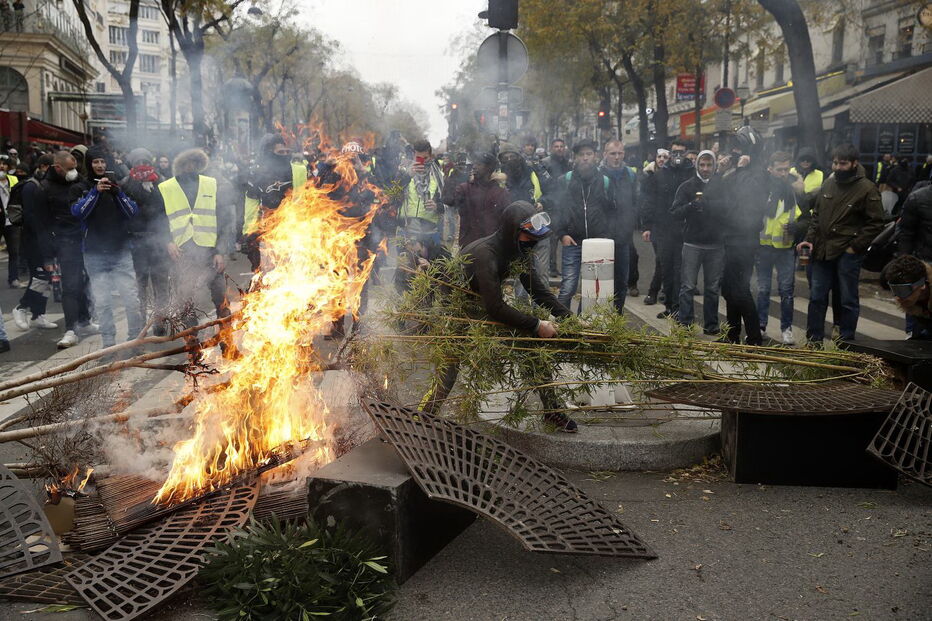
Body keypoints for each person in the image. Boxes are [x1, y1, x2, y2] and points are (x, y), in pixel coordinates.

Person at [419, 201, 577, 432]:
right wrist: (537, 324)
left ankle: (551, 411)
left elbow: (539, 291)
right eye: (529, 236)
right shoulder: (486, 254)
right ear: (513, 230)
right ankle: (422, 416)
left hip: (485, 302)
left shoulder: (518, 250)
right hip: (458, 308)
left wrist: (569, 318)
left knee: (530, 346)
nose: (534, 242)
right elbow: (495, 308)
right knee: (449, 369)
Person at [798, 143, 885, 344]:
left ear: (854, 163)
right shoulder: (828, 184)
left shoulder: (866, 188)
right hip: (822, 251)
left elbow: (876, 222)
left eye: (843, 164)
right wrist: (809, 240)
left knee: (847, 299)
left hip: (847, 253)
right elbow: (817, 216)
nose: (837, 167)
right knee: (817, 297)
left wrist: (854, 247)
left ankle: (846, 342)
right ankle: (814, 340)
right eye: (835, 163)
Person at [71, 146, 143, 349]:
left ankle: (134, 340)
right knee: (102, 303)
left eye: (103, 162)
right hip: (94, 255)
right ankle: (109, 343)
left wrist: (117, 192)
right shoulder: (80, 188)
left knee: (131, 299)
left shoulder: (118, 187)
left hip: (121, 252)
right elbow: (78, 212)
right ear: (89, 164)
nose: (100, 166)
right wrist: (95, 192)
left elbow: (132, 212)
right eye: (95, 162)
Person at [154, 148, 234, 327]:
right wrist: (168, 242)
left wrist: (220, 251)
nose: (190, 167)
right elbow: (158, 219)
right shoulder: (166, 188)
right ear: (179, 166)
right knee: (186, 299)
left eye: (194, 163)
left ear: (200, 165)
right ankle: (193, 346)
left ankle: (226, 337)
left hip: (210, 251)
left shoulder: (211, 184)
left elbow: (223, 220)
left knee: (220, 295)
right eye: (186, 163)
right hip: (182, 252)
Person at [33, 151, 96, 348]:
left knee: (85, 281)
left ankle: (85, 320)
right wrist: (48, 255)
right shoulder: (44, 188)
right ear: (57, 167)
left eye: (75, 167)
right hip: (63, 242)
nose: (73, 172)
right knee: (70, 286)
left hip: (84, 239)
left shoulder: (80, 182)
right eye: (69, 169)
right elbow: (41, 224)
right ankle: (71, 329)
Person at [546, 139, 615, 312]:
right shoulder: (566, 180)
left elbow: (613, 211)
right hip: (572, 241)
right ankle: (563, 324)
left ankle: (582, 324)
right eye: (581, 155)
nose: (585, 158)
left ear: (595, 156)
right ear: (575, 158)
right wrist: (562, 234)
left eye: (589, 154)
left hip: (597, 243)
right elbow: (558, 210)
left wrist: (606, 234)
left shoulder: (605, 181)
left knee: (590, 289)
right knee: (568, 287)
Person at [719, 127, 769, 346]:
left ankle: (755, 338)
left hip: (744, 239)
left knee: (739, 289)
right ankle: (732, 334)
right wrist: (722, 172)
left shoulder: (757, 172)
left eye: (739, 147)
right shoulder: (741, 170)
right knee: (729, 288)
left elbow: (744, 198)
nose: (735, 151)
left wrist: (740, 170)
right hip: (730, 237)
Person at [672, 150, 724, 335]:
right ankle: (685, 324)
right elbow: (675, 212)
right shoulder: (687, 186)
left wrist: (709, 205)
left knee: (712, 288)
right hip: (692, 242)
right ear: (696, 166)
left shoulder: (722, 185)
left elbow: (730, 209)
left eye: (709, 165)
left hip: (716, 244)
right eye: (702, 165)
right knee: (687, 286)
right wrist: (691, 206)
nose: (706, 169)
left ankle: (711, 325)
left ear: (715, 166)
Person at [121, 148, 170, 335]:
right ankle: (140, 323)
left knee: (161, 284)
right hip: (136, 241)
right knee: (139, 286)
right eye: (138, 162)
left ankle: (160, 321)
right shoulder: (125, 184)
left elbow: (167, 212)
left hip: (158, 240)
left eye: (146, 162)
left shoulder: (161, 182)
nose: (143, 165)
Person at [641, 140, 692, 318]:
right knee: (666, 268)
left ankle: (679, 307)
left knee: (680, 270)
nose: (678, 156)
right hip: (663, 229)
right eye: (675, 152)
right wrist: (647, 226)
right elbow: (650, 202)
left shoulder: (691, 173)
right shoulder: (661, 175)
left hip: (684, 230)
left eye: (681, 152)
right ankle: (669, 306)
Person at [243, 133, 307, 270]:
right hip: (268, 230)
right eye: (280, 152)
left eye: (287, 152)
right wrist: (249, 231)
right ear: (270, 152)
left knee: (292, 271)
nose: (284, 155)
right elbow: (251, 203)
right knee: (269, 272)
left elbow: (310, 198)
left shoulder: (300, 170)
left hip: (293, 229)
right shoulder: (257, 173)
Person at [757, 151, 802, 345]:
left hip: (785, 247)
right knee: (763, 289)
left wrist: (798, 227)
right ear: (770, 169)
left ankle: (786, 329)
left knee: (786, 291)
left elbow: (807, 216)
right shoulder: (762, 189)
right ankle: (760, 326)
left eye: (786, 169)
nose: (783, 173)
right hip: (764, 246)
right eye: (779, 170)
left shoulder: (794, 191)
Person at [600, 139, 638, 313]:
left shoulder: (630, 175)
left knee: (622, 279)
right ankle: (600, 315)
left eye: (620, 153)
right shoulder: (598, 174)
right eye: (612, 153)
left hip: (624, 235)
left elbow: (635, 201)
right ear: (605, 155)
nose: (616, 157)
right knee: (601, 279)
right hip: (602, 235)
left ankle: (617, 314)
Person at [446, 152, 508, 248]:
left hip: (491, 247)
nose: (474, 167)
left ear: (489, 168)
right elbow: (449, 200)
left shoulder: (500, 193)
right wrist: (455, 176)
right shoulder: (464, 189)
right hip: (468, 247)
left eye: (479, 164)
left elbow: (506, 220)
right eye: (474, 164)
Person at [396, 139, 444, 243]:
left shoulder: (439, 175)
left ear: (431, 156)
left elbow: (448, 204)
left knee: (429, 259)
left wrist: (437, 206)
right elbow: (392, 194)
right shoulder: (403, 171)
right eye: (418, 158)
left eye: (425, 158)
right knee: (405, 259)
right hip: (406, 230)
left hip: (429, 232)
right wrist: (408, 176)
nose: (422, 161)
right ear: (413, 155)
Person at [639, 148, 670, 306]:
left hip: (670, 224)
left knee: (664, 259)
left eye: (665, 157)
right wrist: (646, 226)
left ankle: (661, 291)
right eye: (659, 156)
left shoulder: (671, 175)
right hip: (656, 224)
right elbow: (647, 203)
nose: (662, 159)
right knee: (661, 259)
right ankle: (655, 291)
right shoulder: (649, 176)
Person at [883, 255, 932, 339]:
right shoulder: (909, 302)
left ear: (922, 285)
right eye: (895, 290)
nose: (898, 298)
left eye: (904, 290)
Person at [0, 154, 23, 288]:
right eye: (0, 163)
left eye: (4, 164)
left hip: (12, 221)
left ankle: (14, 278)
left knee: (14, 252)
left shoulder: (13, 179)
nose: (2, 166)